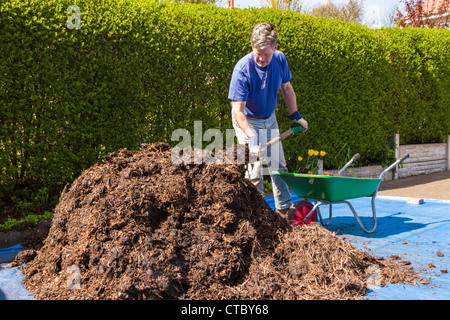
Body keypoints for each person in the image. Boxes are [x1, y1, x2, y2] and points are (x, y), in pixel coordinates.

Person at [228, 22, 308, 217]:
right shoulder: (242, 69)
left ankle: (283, 210)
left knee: (278, 165)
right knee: (254, 170)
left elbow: (287, 88)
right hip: (247, 119)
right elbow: (238, 111)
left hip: (269, 118)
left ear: (275, 48)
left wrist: (295, 115)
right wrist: (252, 137)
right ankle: (254, 214)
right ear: (251, 47)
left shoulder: (279, 60)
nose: (262, 59)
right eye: (258, 53)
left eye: (266, 54)